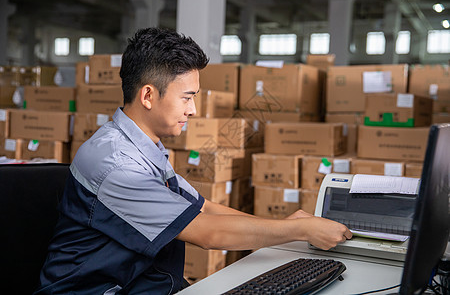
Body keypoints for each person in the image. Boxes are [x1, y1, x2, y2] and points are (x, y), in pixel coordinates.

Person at [35, 27, 352, 294]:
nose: (193, 110)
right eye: (186, 97)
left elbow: (203, 208)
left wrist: (285, 226)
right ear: (148, 95)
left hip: (144, 283)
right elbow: (207, 233)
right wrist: (299, 232)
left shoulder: (143, 147)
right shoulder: (116, 164)